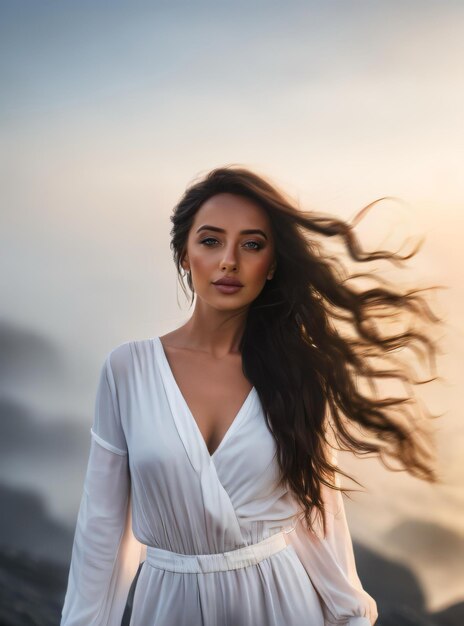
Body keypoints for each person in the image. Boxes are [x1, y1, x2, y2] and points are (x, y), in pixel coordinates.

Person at [60, 165, 441, 626]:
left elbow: (319, 514)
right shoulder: (127, 370)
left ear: (273, 262)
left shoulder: (297, 373)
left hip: (281, 602)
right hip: (168, 604)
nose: (229, 261)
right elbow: (101, 528)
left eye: (252, 244)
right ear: (184, 253)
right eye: (210, 241)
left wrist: (350, 613)